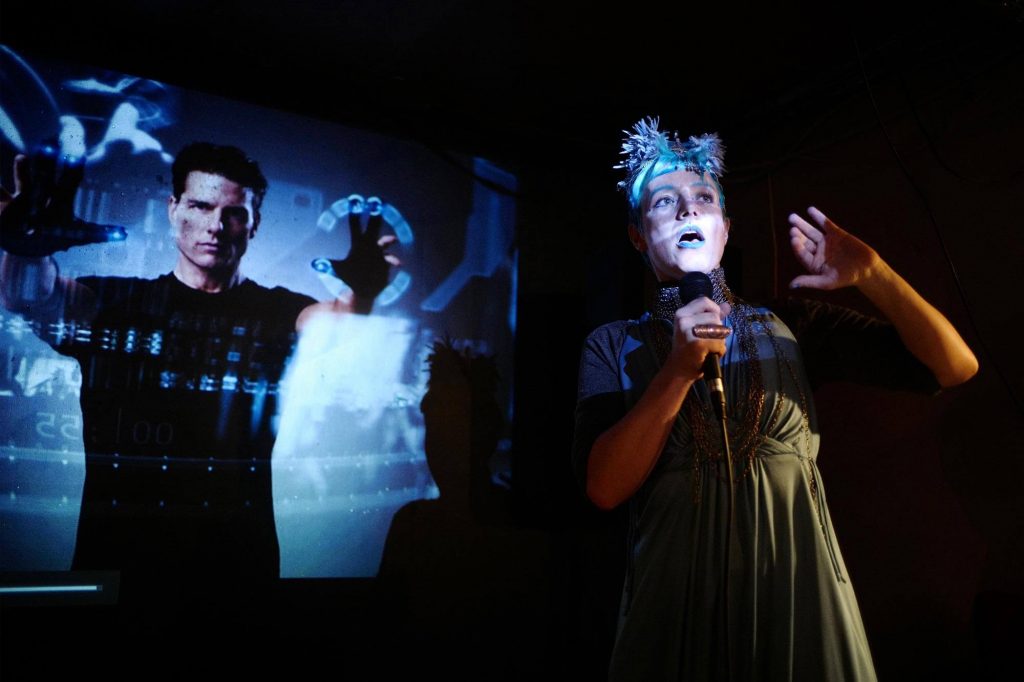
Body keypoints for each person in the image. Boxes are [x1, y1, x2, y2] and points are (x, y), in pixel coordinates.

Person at [571, 118, 978, 681]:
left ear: (726, 228)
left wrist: (875, 275)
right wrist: (676, 372)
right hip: (676, 600)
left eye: (703, 198)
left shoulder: (793, 324)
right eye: (664, 202)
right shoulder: (614, 344)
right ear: (639, 235)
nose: (688, 210)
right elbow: (604, 487)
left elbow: (955, 367)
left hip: (797, 590)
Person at [0, 142, 398, 598]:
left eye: (234, 213)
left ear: (254, 225)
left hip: (236, 568)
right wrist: (24, 249)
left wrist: (362, 296)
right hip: (118, 563)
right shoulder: (113, 302)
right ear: (173, 210)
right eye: (200, 206)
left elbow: (333, 325)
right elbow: (31, 298)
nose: (215, 226)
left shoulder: (279, 312)